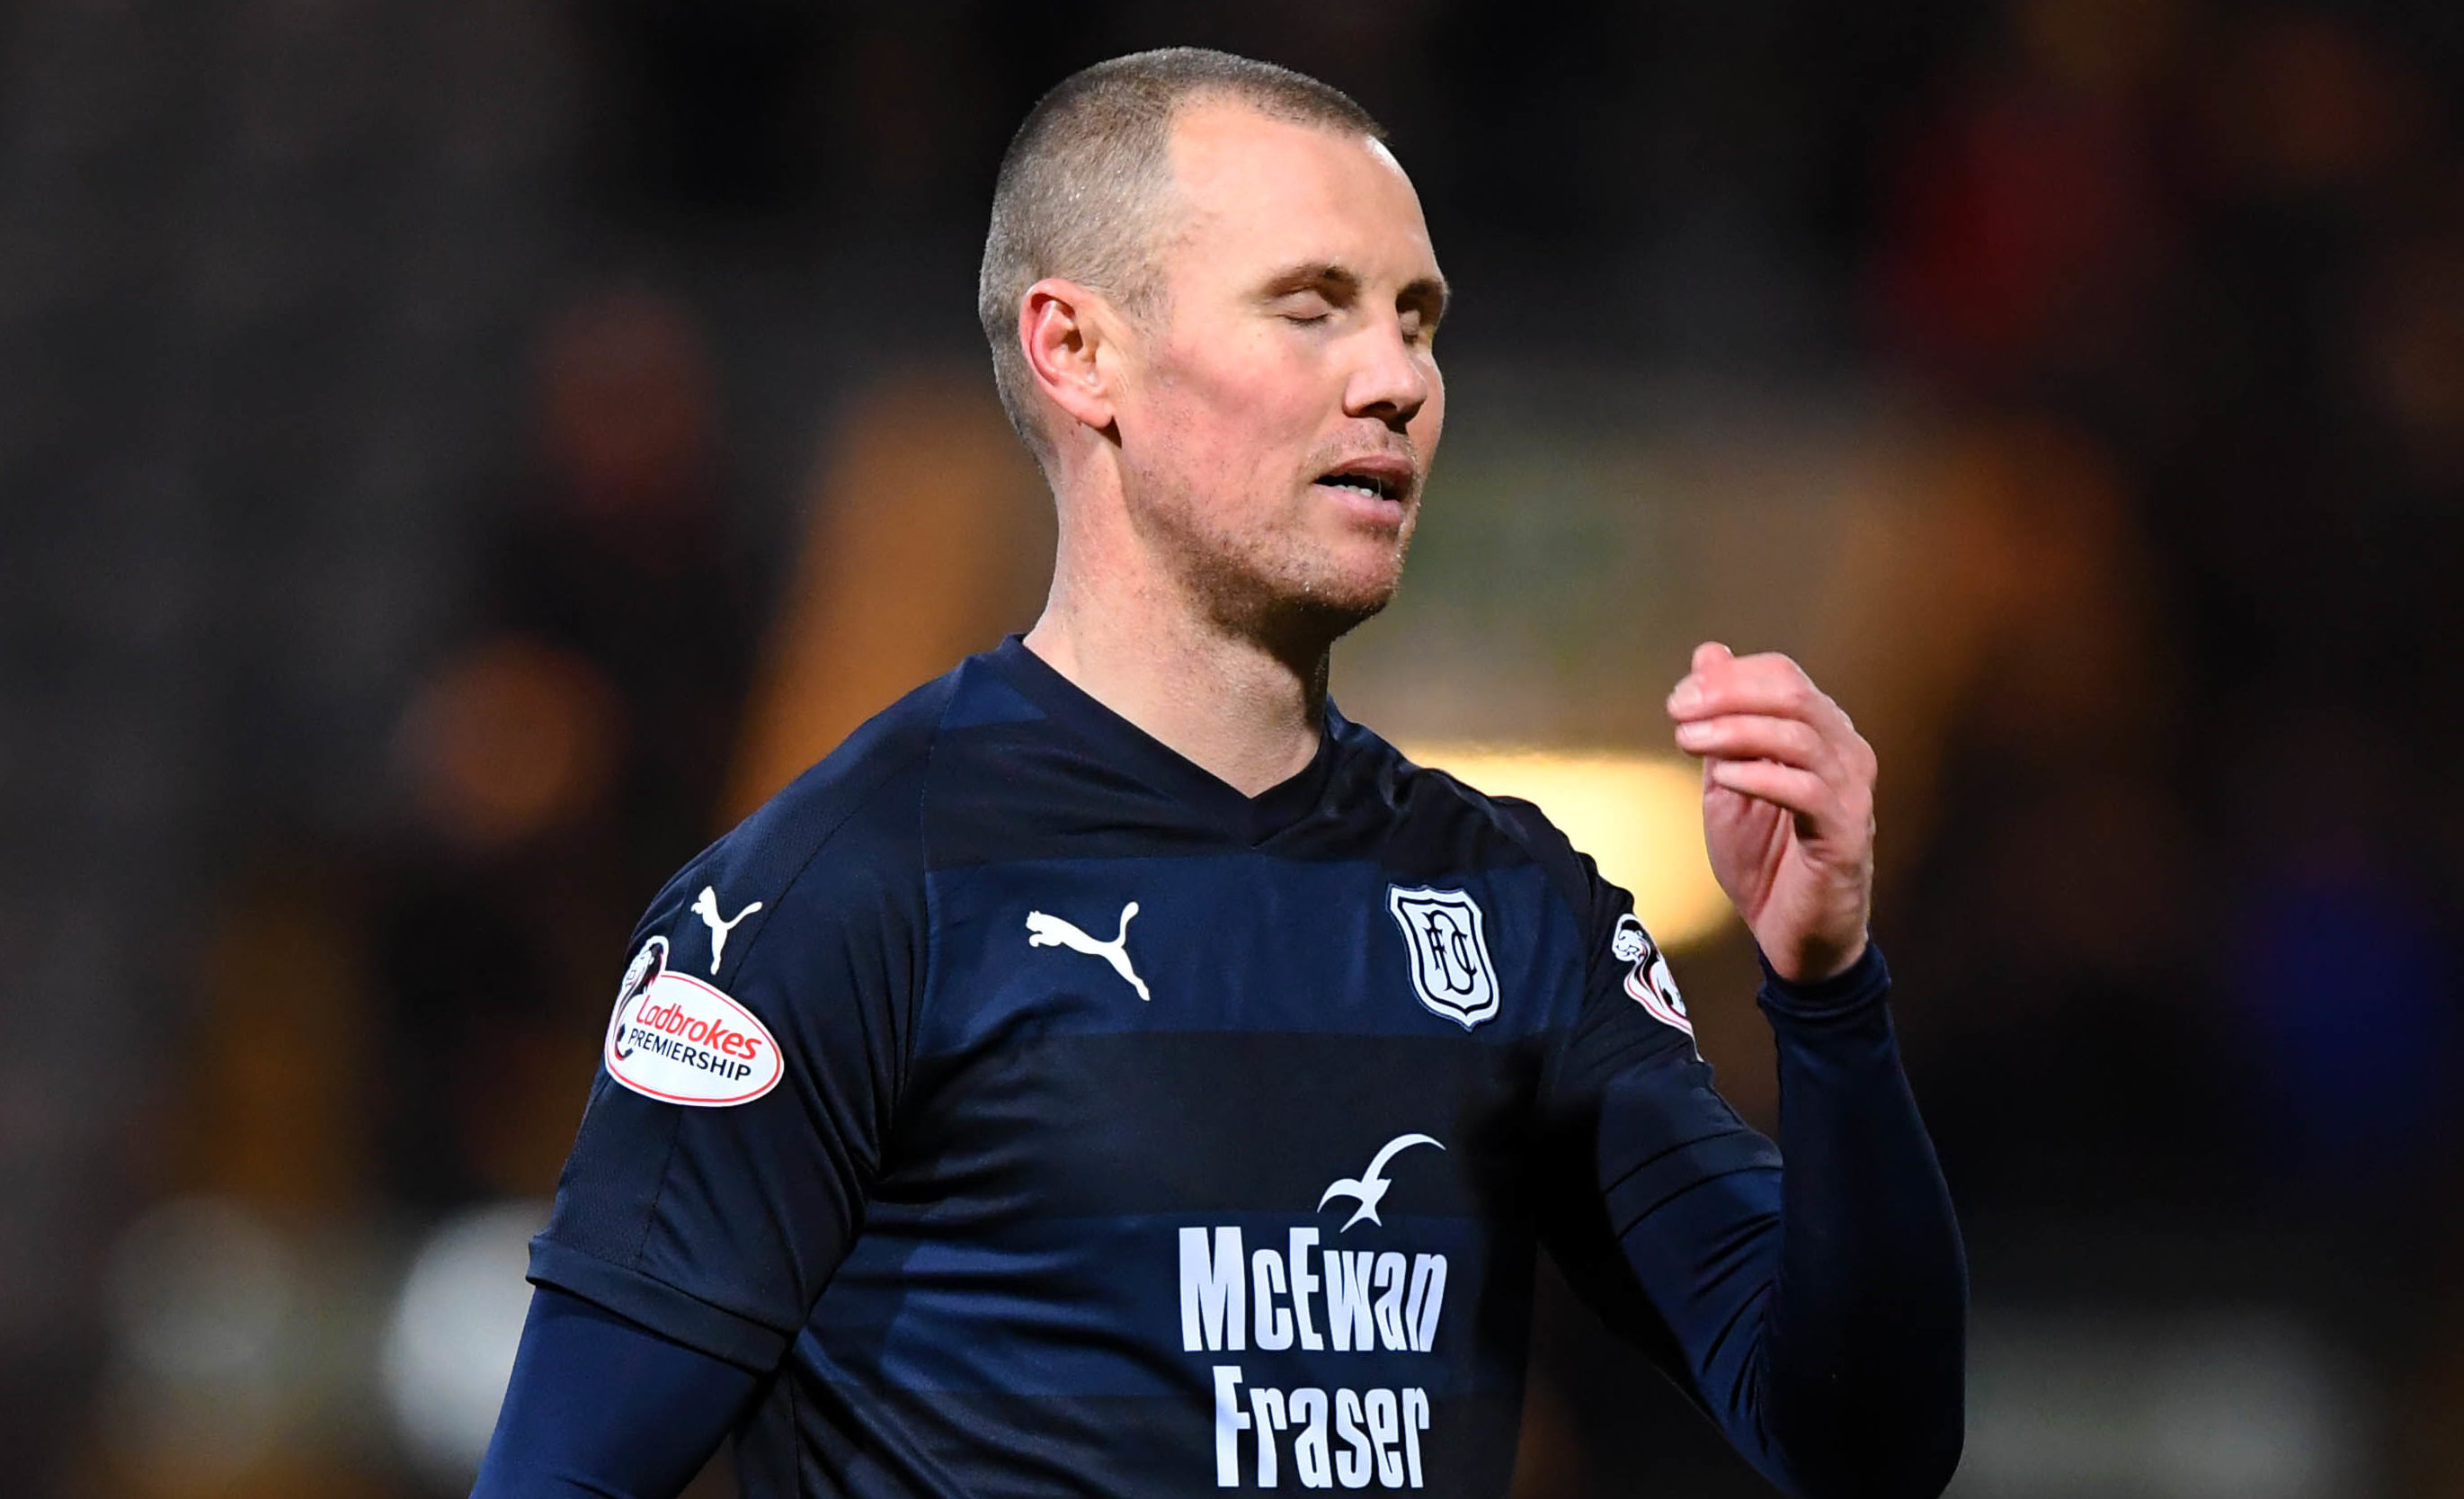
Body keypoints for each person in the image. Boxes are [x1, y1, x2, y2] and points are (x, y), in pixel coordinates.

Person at [473, 48, 1964, 1499]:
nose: (1394, 380)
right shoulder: (826, 901)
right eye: (1311, 308)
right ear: (1079, 352)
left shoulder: (1513, 909)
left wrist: (1828, 997)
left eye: (1418, 321)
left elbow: (1861, 1442)